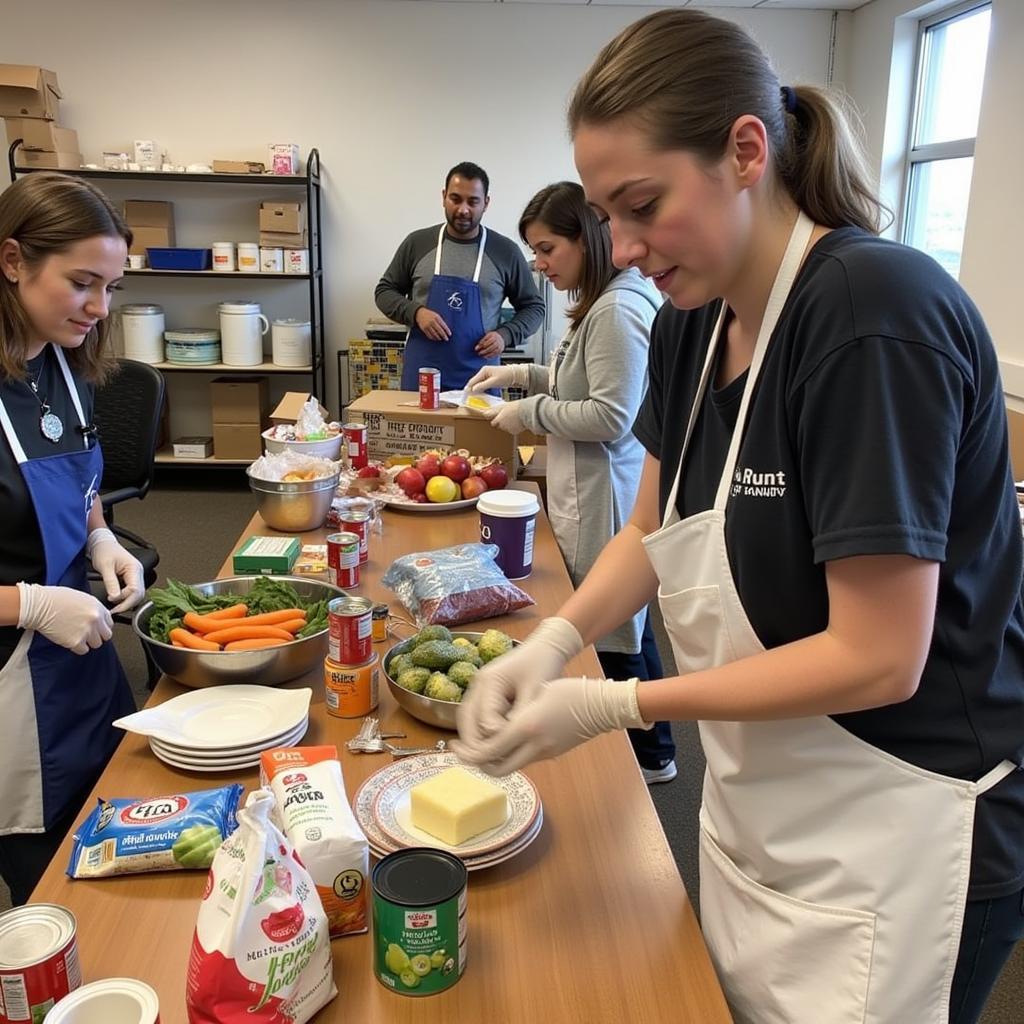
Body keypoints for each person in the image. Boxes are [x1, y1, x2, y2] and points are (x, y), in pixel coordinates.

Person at [453, 10, 1024, 1024]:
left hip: (901, 821)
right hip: (766, 800)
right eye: (604, 214)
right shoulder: (691, 318)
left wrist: (615, 707)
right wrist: (556, 640)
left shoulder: (868, 318)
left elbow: (878, 654)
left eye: (641, 205)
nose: (620, 247)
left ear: (744, 152)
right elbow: (650, 532)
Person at [466, 181, 676, 783]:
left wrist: (526, 413)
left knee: (617, 628)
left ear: (588, 239)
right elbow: (571, 379)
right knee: (619, 623)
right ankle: (648, 746)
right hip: (582, 485)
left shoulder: (618, 309)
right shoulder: (596, 302)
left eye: (547, 249)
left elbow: (612, 414)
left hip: (605, 492)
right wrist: (518, 374)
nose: (537, 264)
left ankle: (651, 754)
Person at [0, 172, 141, 905]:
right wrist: (26, 603)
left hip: (80, 661)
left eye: (111, 286)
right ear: (14, 260)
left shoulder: (62, 361)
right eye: (83, 282)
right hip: (10, 684)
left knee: (114, 836)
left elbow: (79, 486)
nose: (99, 306)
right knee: (55, 889)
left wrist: (99, 539)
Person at [375, 161, 545, 391]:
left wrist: (505, 335)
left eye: (473, 201)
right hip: (423, 378)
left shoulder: (505, 252)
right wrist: (416, 313)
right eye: (455, 199)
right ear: (444, 197)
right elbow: (384, 292)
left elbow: (534, 307)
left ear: (486, 203)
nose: (463, 209)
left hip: (481, 379)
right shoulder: (417, 243)